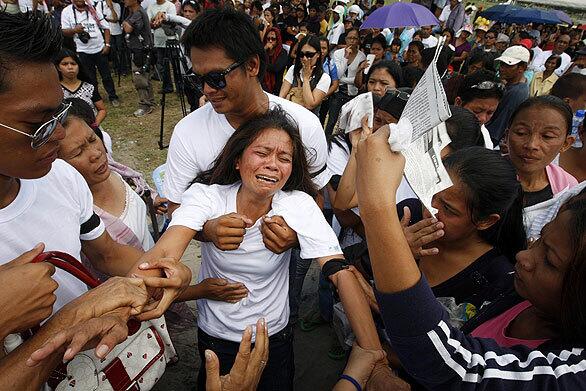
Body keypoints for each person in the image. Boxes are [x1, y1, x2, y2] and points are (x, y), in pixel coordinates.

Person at [0, 11, 188, 386]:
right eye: (37, 123)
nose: (57, 136)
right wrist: (71, 317)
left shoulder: (60, 176)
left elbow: (104, 252)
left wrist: (164, 271)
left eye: (57, 114)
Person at [146, 108, 388, 390]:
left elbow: (338, 270)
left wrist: (376, 358)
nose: (273, 164)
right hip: (217, 334)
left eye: (284, 158)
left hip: (274, 335)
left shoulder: (298, 205)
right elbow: (169, 246)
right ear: (238, 160)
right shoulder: (206, 197)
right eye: (262, 153)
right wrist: (203, 236)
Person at [354, 118, 586, 390]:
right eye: (539, 239)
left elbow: (455, 365)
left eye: (549, 260)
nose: (524, 258)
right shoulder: (517, 292)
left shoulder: (495, 278)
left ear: (485, 221)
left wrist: (377, 205)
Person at [166, 9, 330, 262]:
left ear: (252, 65)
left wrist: (296, 235)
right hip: (220, 278)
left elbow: (316, 195)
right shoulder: (188, 132)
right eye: (198, 79)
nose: (208, 90)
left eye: (216, 78)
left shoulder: (304, 125)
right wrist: (209, 230)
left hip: (285, 269)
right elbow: (175, 207)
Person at [506, 96, 578, 208]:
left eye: (547, 136)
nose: (531, 145)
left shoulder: (567, 188)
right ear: (507, 135)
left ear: (566, 144)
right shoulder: (481, 176)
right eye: (521, 133)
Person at [60, 0, 120, 106]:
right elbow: (64, 31)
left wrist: (107, 45)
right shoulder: (67, 11)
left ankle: (113, 96)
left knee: (106, 75)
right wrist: (74, 30)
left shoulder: (94, 9)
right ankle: (95, 99)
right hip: (82, 51)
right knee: (90, 77)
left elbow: (106, 27)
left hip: (99, 48)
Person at [486, 45, 530, 145]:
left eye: (508, 66)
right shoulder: (511, 86)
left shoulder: (517, 93)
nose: (502, 69)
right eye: (502, 64)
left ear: (522, 68)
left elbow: (498, 128)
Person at [325, 28, 366, 136]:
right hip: (337, 92)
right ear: (346, 39)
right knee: (331, 121)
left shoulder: (362, 56)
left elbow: (358, 80)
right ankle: (326, 142)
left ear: (358, 41)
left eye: (355, 38)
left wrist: (342, 80)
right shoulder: (338, 54)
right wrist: (346, 57)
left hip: (352, 94)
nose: (352, 41)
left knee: (347, 123)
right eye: (349, 38)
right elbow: (337, 74)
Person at [54, 48, 107, 127]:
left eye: (73, 63)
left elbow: (102, 109)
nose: (70, 67)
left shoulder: (89, 87)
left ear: (78, 66)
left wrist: (95, 125)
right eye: (65, 64)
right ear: (58, 67)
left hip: (91, 129)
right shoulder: (55, 90)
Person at [279, 35, 331, 115]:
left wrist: (306, 79)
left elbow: (310, 105)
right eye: (301, 54)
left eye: (309, 55)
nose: (305, 58)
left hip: (307, 122)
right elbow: (282, 96)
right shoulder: (293, 69)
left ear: (318, 54)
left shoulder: (324, 78)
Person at [122, 0, 156, 117]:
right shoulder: (133, 12)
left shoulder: (138, 13)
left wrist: (125, 23)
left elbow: (127, 29)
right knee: (145, 77)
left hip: (140, 51)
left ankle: (145, 105)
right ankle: (150, 101)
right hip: (139, 50)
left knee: (139, 78)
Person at [454, 70, 503, 147]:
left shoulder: (486, 141)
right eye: (477, 111)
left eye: (490, 113)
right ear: (458, 103)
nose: (483, 119)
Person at [147, 0, 177, 94]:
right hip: (158, 41)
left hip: (171, 39)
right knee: (163, 65)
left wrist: (156, 22)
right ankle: (167, 87)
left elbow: (172, 20)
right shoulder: (151, 6)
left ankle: (180, 86)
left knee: (175, 64)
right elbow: (148, 23)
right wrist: (159, 22)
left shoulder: (170, 5)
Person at [319, 36, 340, 125]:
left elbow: (335, 84)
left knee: (321, 119)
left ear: (328, 50)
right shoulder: (309, 60)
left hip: (325, 98)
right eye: (320, 48)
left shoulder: (331, 64)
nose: (322, 51)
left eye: (324, 48)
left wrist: (324, 95)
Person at [261, 27, 288, 95]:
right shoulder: (263, 50)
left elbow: (276, 68)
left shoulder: (282, 52)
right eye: (268, 38)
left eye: (273, 39)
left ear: (278, 40)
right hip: (262, 85)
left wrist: (263, 64)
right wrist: (264, 50)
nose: (270, 41)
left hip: (276, 86)